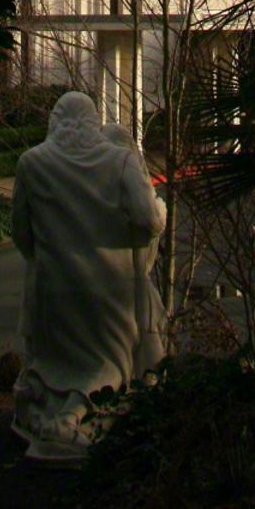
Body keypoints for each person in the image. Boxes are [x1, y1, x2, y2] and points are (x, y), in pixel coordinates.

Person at [11, 90, 163, 460]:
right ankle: (72, 417)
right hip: (109, 291)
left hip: (52, 290)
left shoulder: (31, 163)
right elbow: (148, 221)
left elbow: (21, 234)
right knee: (110, 361)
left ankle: (44, 408)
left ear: (55, 123)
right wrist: (160, 210)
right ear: (93, 124)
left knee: (53, 360)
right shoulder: (120, 161)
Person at [103, 120, 168, 379]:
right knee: (145, 362)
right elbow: (153, 222)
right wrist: (161, 207)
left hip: (116, 292)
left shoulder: (98, 193)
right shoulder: (134, 187)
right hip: (132, 292)